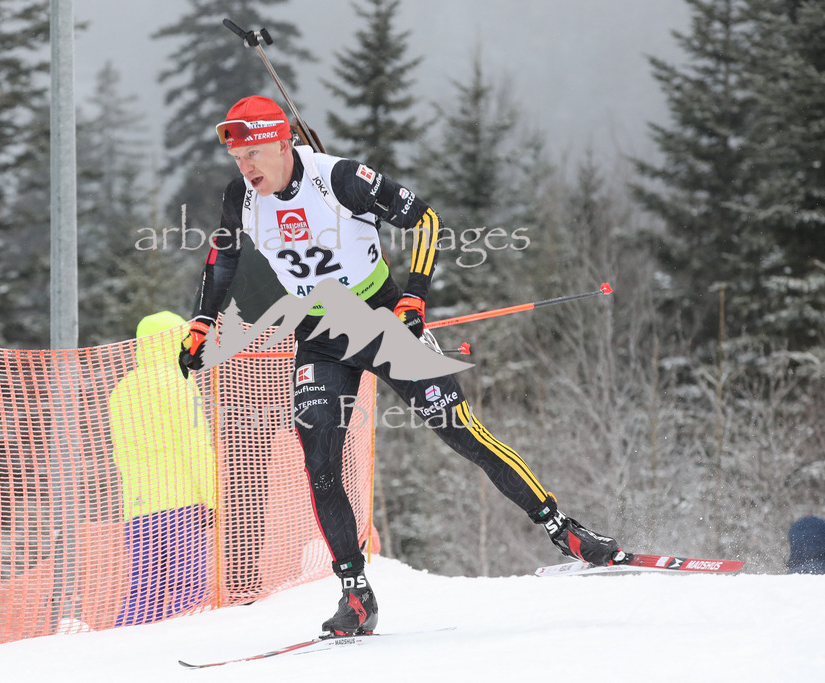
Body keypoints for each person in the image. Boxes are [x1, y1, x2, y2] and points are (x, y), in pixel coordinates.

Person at [177, 95, 626, 636]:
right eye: (237, 159)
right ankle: (356, 593)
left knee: (461, 433)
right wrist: (203, 322)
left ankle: (566, 531)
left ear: (280, 141)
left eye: (252, 154)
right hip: (319, 337)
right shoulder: (240, 198)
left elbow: (426, 219)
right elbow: (222, 255)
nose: (245, 169)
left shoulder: (340, 178)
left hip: (383, 319)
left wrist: (414, 297)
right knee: (319, 461)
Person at [110, 311, 217, 625]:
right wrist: (211, 499)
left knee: (144, 589)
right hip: (181, 502)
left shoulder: (122, 389)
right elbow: (195, 446)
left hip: (138, 507)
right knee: (190, 585)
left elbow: (122, 453)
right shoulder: (179, 383)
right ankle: (179, 646)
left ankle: (122, 647)